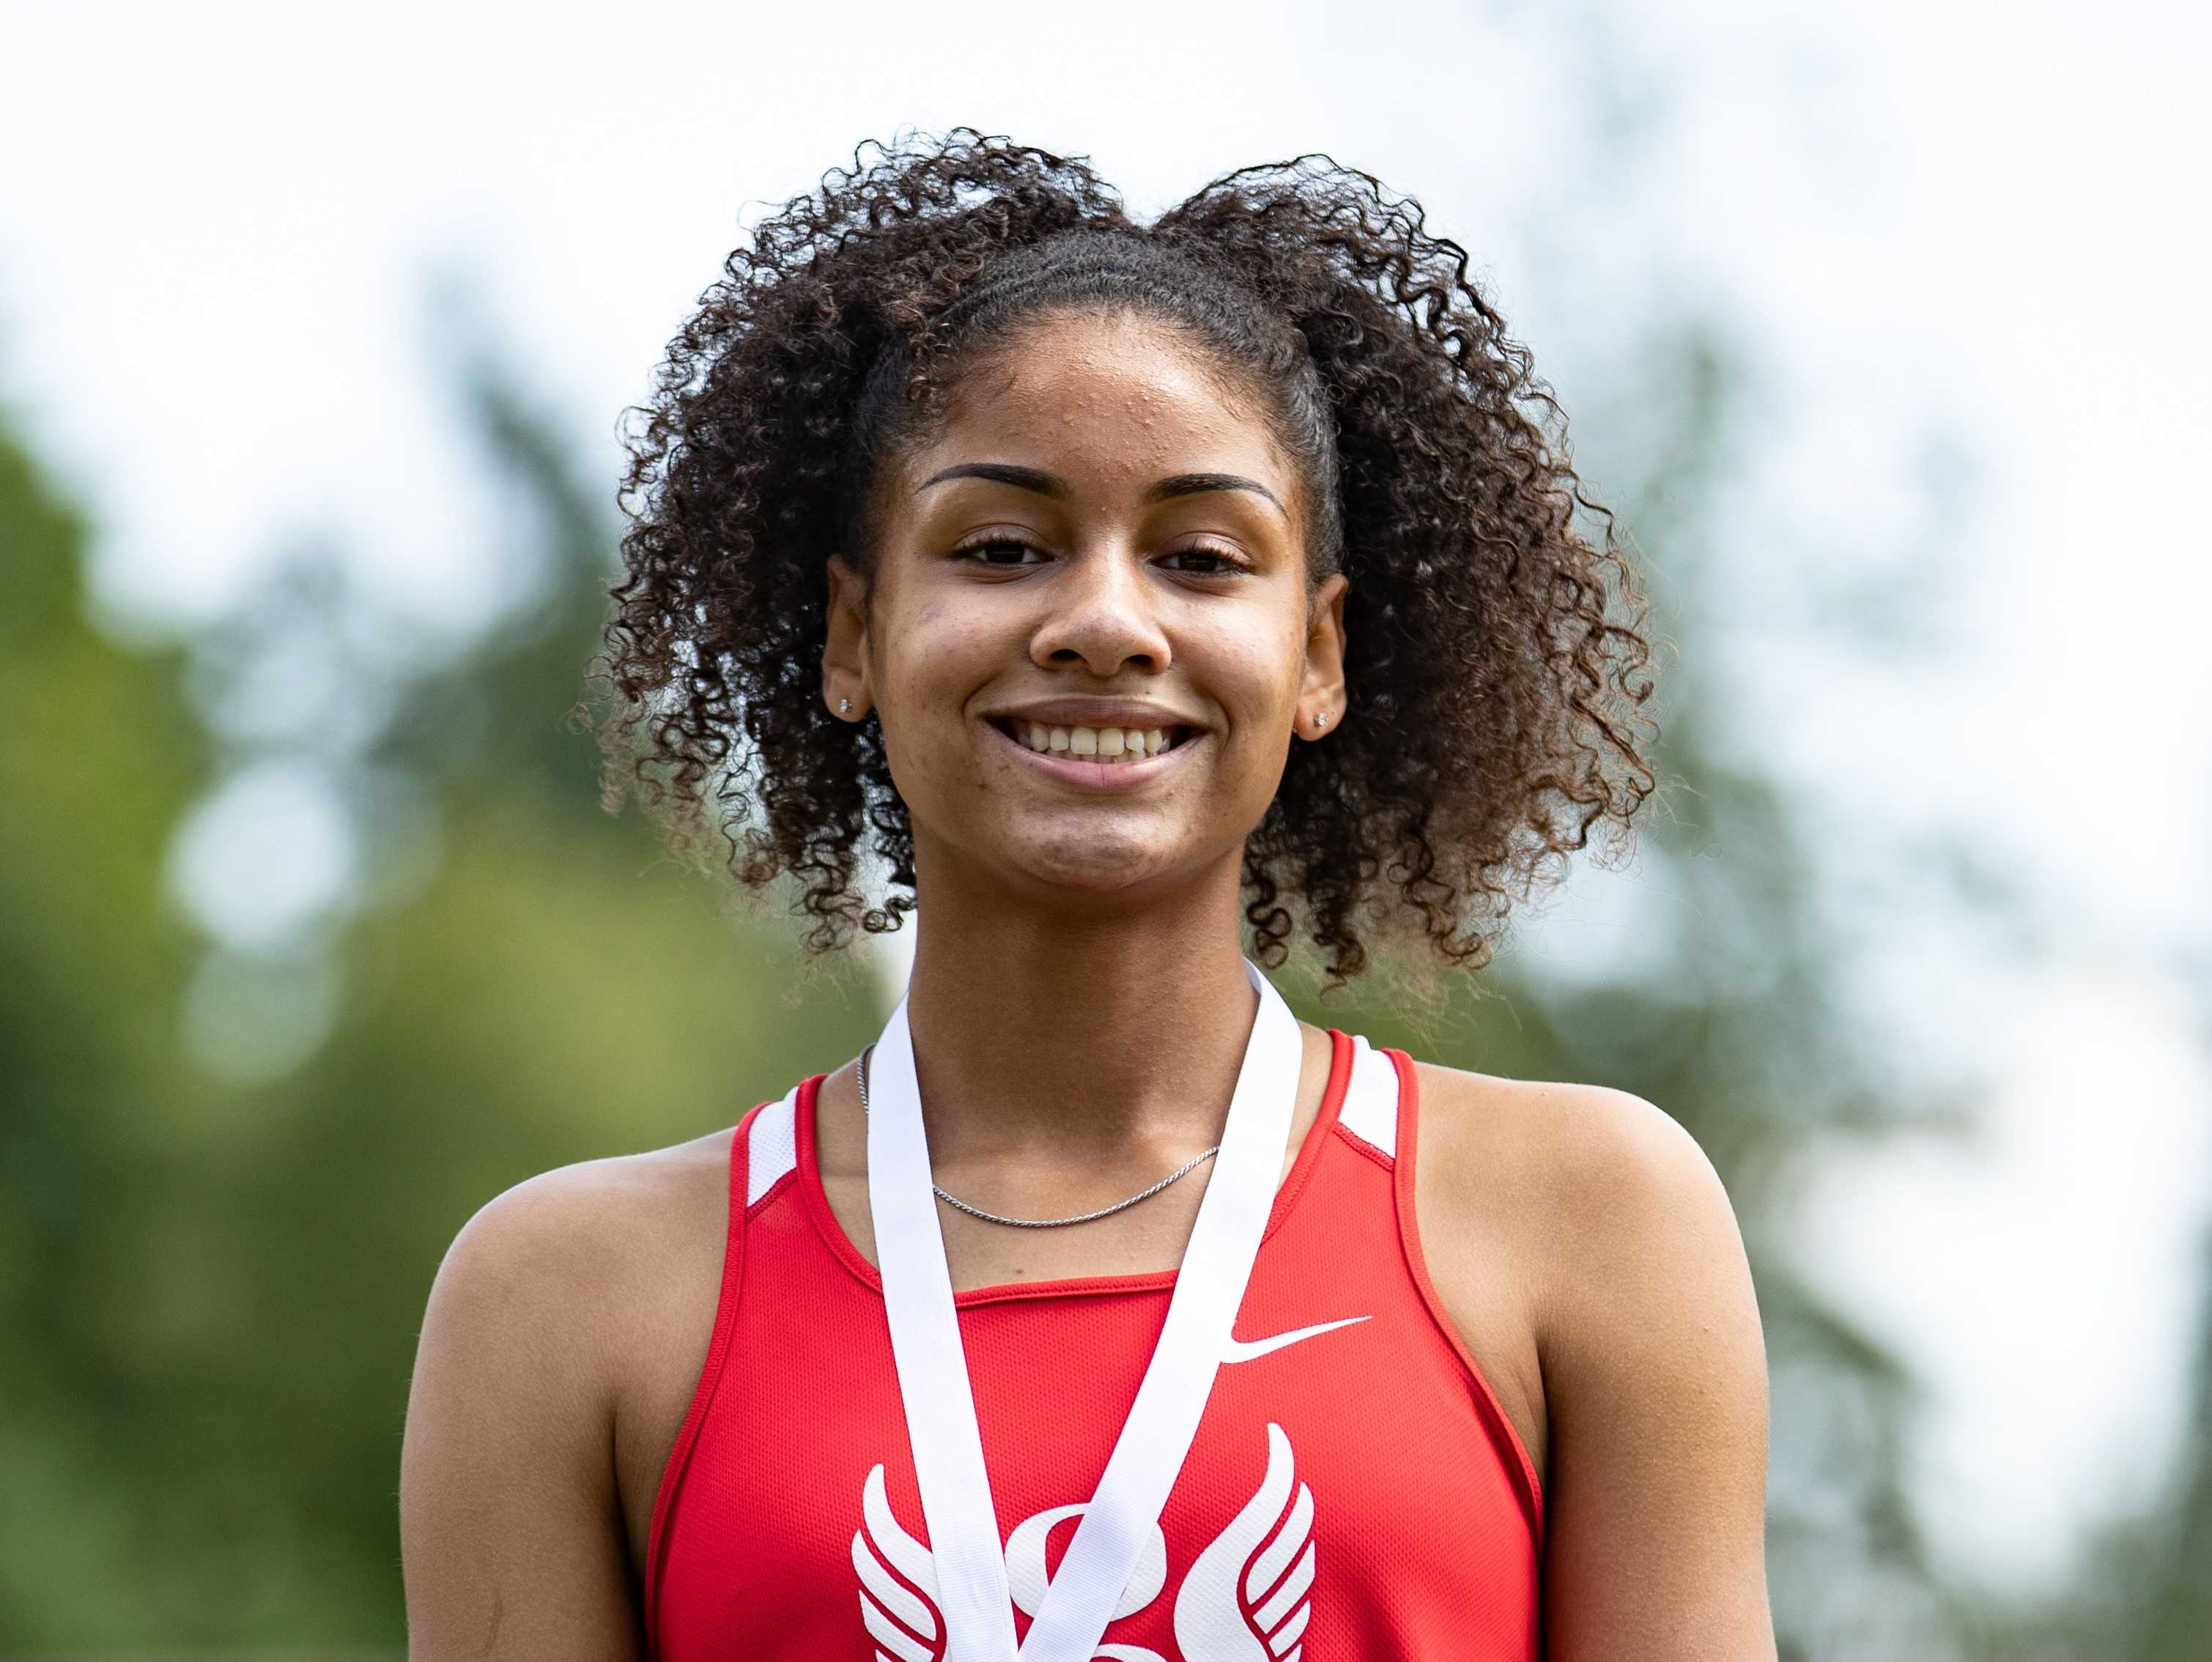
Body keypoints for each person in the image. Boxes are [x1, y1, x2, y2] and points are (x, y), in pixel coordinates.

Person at [398, 130, 1775, 1661]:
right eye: (1001, 547)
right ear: (852, 633)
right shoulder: (568, 1300)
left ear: (1318, 654)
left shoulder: (1586, 1223)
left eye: (1202, 557)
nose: (1106, 621)